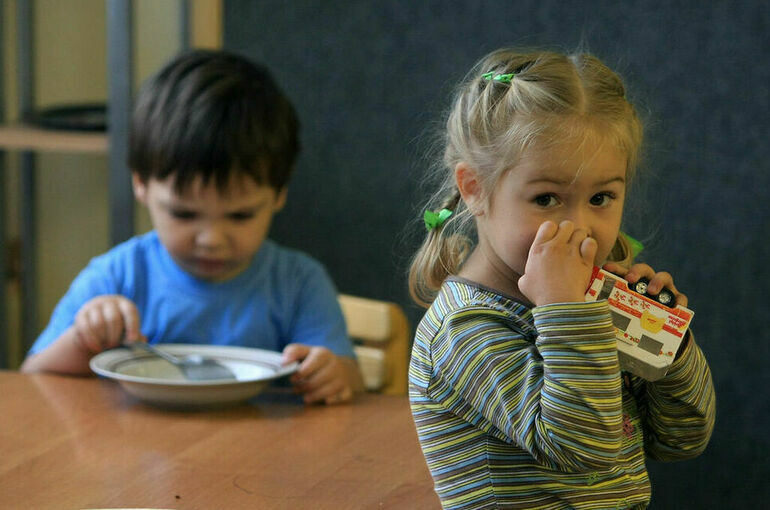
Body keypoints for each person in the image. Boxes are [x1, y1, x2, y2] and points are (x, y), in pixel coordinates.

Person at [407, 48, 715, 509]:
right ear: (475, 189)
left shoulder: (585, 306)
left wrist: (666, 345)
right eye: (547, 198)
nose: (579, 228)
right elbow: (583, 448)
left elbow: (682, 439)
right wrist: (568, 314)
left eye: (601, 197)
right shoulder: (465, 330)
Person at [21, 49, 363, 405]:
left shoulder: (299, 283)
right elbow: (35, 379)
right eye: (184, 214)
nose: (211, 240)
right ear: (141, 184)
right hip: (132, 455)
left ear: (279, 194)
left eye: (240, 216)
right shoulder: (116, 277)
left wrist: (331, 374)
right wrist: (83, 339)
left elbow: (349, 379)